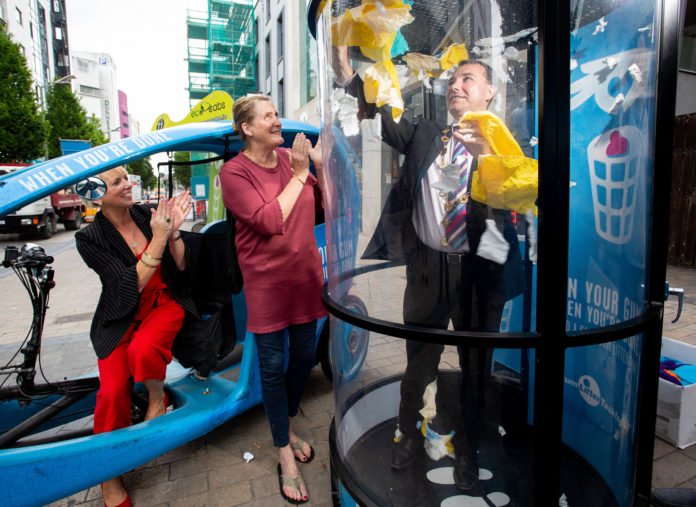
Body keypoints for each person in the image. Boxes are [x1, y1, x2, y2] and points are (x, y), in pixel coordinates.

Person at [333, 49, 528, 491]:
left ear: (490, 92)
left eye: (469, 79)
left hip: (479, 278)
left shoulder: (504, 146)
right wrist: (349, 77)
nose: (457, 85)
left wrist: (494, 161)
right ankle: (407, 434)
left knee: (476, 369)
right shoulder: (425, 135)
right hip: (427, 271)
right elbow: (384, 110)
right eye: (454, 80)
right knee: (418, 362)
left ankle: (469, 448)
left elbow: (522, 193)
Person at [219, 95, 327, 504]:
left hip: (304, 277)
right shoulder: (234, 173)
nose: (276, 120)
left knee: (303, 358)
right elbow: (268, 221)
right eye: (267, 116)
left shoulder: (290, 159)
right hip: (266, 283)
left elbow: (324, 203)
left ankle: (289, 422)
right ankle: (283, 449)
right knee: (273, 364)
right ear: (246, 128)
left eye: (276, 113)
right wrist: (300, 175)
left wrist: (319, 165)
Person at [75, 166, 196, 507]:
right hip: (120, 315)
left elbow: (182, 266)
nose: (128, 185)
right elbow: (129, 286)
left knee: (143, 352)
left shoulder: (147, 214)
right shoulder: (89, 238)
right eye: (118, 182)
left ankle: (158, 399)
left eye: (127, 177)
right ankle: (108, 476)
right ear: (98, 195)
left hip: (162, 303)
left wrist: (172, 233)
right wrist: (158, 237)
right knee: (112, 393)